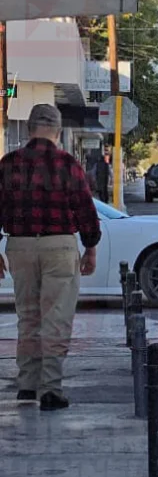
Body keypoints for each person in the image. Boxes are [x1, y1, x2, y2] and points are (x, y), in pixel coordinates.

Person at [0, 104, 101, 410]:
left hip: (19, 244)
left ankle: (27, 384)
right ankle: (50, 389)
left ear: (30, 129)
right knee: (56, 317)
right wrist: (90, 247)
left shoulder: (8, 163)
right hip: (59, 246)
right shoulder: (67, 163)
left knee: (27, 317)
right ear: (57, 131)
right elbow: (85, 209)